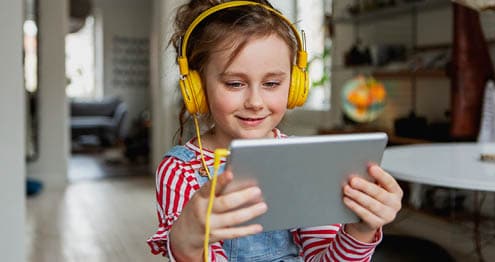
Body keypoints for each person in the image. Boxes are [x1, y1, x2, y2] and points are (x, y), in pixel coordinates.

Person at [147, 0, 403, 261]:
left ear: (295, 87)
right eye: (234, 84)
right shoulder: (180, 172)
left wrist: (361, 228)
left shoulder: (305, 162)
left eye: (271, 83)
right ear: (197, 88)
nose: (255, 102)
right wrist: (187, 243)